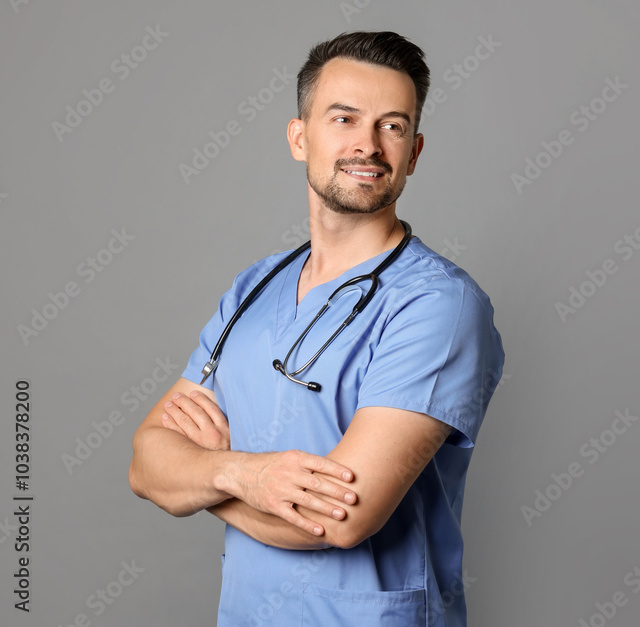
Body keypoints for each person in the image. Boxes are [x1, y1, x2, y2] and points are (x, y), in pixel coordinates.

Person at [128, 30, 505, 626]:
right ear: (299, 138)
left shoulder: (439, 305)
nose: (369, 145)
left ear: (414, 152)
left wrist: (200, 480)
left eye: (393, 126)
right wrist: (245, 475)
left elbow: (341, 519)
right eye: (344, 118)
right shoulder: (255, 288)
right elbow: (146, 464)